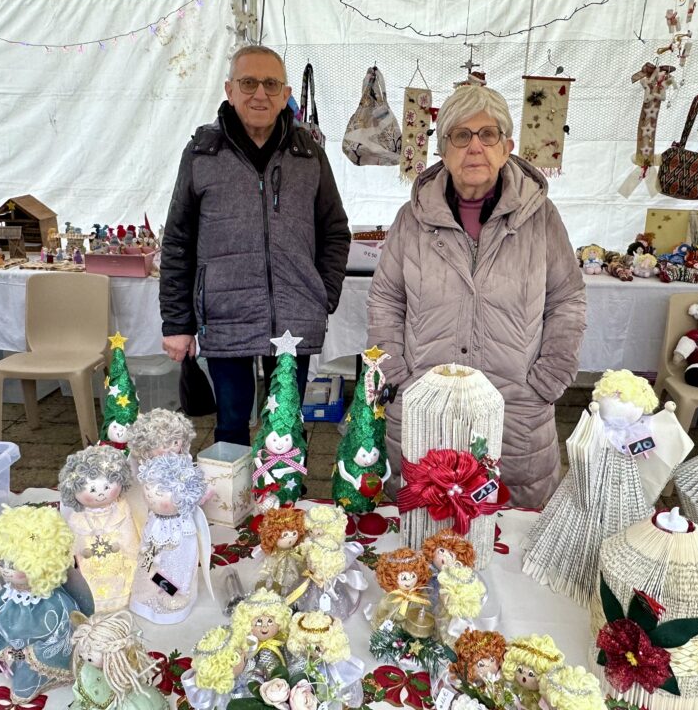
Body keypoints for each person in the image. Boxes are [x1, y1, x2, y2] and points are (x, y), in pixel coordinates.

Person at [367, 84, 586, 509]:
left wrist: (548, 377)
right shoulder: (411, 219)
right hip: (424, 405)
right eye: (460, 135)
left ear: (506, 147)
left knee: (512, 536)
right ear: (443, 150)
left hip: (516, 410)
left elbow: (568, 299)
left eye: (488, 135)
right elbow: (385, 299)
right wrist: (397, 375)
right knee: (421, 533)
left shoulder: (541, 218)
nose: (475, 147)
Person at [160, 45, 350, 445]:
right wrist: (178, 324)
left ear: (285, 95)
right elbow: (178, 240)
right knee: (231, 423)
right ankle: (233, 504)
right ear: (229, 89)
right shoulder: (202, 153)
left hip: (294, 317)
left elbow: (335, 230)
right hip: (226, 314)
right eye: (248, 83)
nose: (259, 94)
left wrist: (322, 295)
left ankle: (282, 503)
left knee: (284, 422)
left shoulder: (308, 154)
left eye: (271, 84)